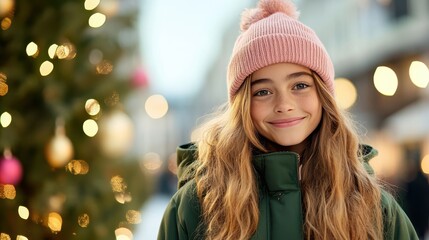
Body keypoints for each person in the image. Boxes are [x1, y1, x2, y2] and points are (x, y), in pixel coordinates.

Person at [157, 0, 419, 239]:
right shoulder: (197, 206)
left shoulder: (373, 206)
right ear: (242, 106)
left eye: (300, 86)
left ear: (323, 95)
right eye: (262, 91)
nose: (284, 105)